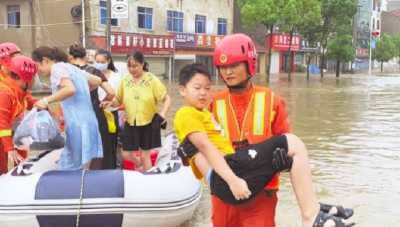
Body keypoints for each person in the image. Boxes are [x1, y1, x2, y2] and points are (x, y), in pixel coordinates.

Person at [174, 63, 354, 227]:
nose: (228, 71)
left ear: (249, 64)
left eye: (234, 65)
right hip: (226, 192)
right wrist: (185, 153)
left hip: (260, 194)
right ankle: (313, 212)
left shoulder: (271, 100)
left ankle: (312, 210)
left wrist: (285, 163)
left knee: (292, 145)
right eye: (223, 66)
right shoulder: (212, 104)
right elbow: (201, 143)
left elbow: (286, 139)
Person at [32, 46, 103, 170]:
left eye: (38, 65)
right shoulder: (73, 68)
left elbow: (70, 89)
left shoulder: (57, 68)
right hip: (89, 121)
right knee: (83, 169)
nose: (38, 70)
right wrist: (84, 88)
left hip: (77, 124)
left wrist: (45, 100)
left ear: (44, 60)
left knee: (73, 170)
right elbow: (97, 80)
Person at [101, 50, 171, 171]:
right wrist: (111, 103)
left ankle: (148, 180)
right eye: (129, 66)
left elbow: (166, 98)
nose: (131, 69)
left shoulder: (152, 80)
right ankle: (138, 163)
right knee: (125, 154)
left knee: (145, 156)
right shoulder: (125, 81)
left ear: (142, 64)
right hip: (131, 123)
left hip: (148, 123)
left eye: (135, 66)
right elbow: (119, 99)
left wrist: (163, 112)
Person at [69, 43, 116, 170]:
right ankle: (97, 179)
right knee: (98, 146)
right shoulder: (94, 72)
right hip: (95, 112)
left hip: (75, 115)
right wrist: (102, 102)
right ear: (85, 57)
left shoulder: (66, 72)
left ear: (71, 58)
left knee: (77, 148)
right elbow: (111, 93)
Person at [0, 56, 38, 175]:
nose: (35, 81)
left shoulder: (19, 91)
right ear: (26, 77)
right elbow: (2, 122)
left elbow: (31, 103)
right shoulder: (5, 92)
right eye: (33, 77)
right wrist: (10, 149)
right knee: (1, 168)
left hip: (5, 130)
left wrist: (49, 111)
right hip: (3, 129)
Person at [94, 49, 121, 168]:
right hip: (95, 114)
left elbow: (119, 97)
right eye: (97, 61)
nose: (99, 64)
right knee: (97, 142)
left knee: (110, 142)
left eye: (102, 61)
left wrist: (110, 102)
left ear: (108, 61)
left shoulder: (116, 77)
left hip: (110, 115)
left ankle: (111, 167)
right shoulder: (92, 74)